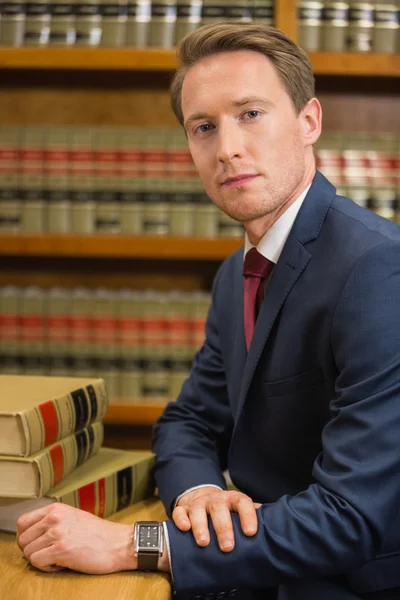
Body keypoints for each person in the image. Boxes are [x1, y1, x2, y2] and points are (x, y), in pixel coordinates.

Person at [16, 22, 400, 600]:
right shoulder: (236, 273)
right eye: (203, 127)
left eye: (250, 114)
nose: (227, 149)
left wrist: (135, 544)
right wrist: (198, 496)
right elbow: (189, 422)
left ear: (309, 122)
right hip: (251, 574)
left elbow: (351, 515)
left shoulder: (377, 268)